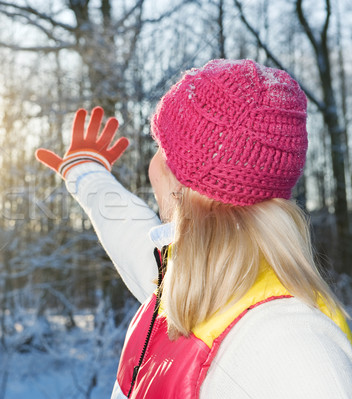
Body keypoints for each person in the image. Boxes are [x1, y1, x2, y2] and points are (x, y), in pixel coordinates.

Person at [35, 59, 352, 398]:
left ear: (181, 182)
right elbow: (131, 235)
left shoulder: (291, 341)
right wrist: (86, 173)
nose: (151, 164)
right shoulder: (192, 283)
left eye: (160, 147)